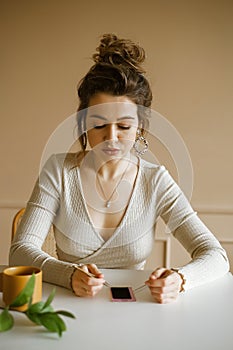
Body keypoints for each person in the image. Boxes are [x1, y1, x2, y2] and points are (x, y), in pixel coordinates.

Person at [9, 33, 229, 304]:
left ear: (140, 128)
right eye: (99, 124)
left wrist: (180, 279)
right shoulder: (58, 171)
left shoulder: (156, 180)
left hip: (133, 312)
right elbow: (20, 251)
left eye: (124, 126)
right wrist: (68, 274)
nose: (111, 137)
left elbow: (216, 256)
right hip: (70, 310)